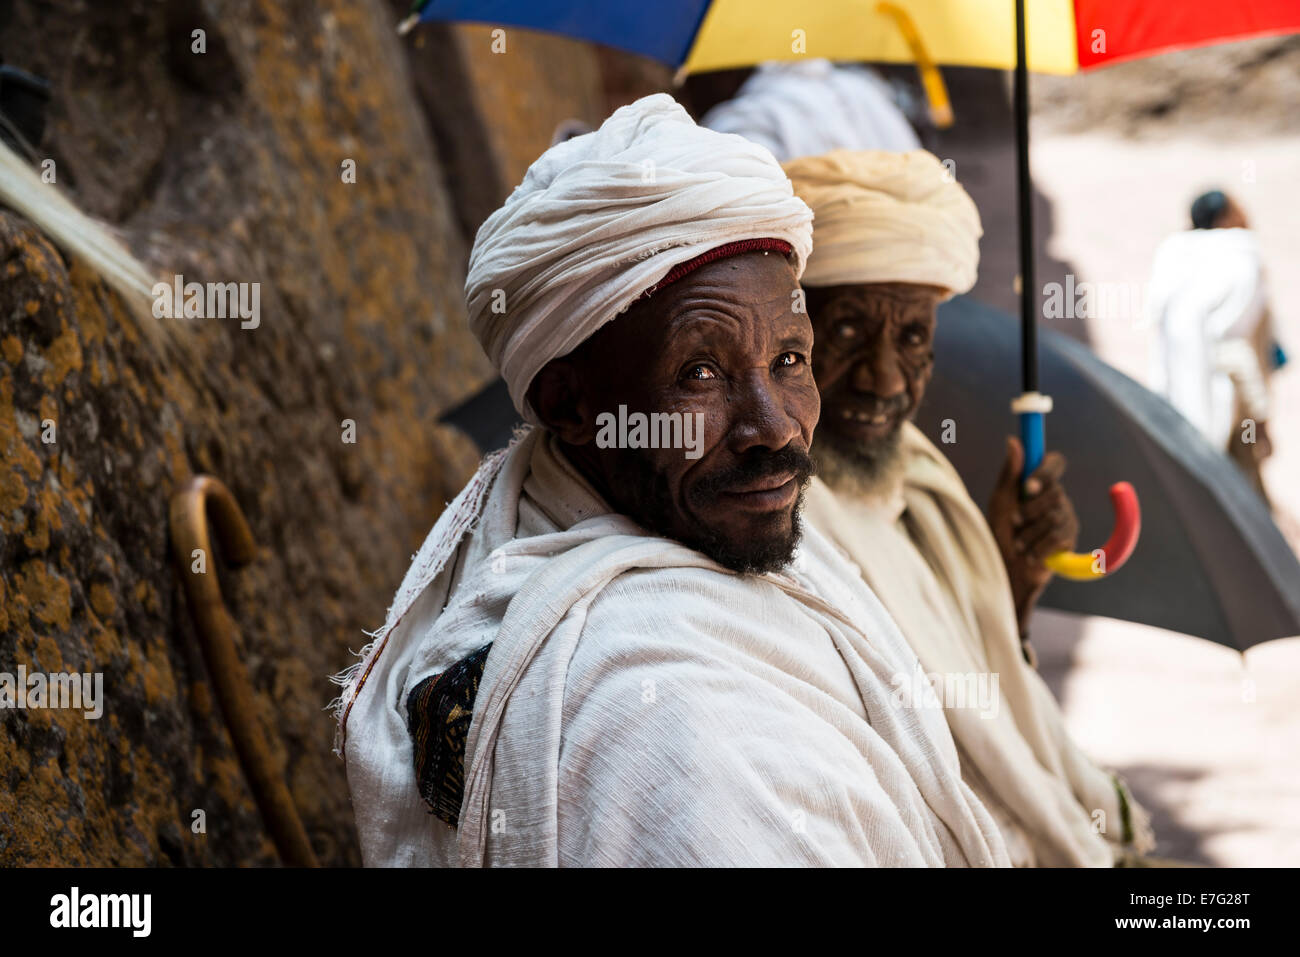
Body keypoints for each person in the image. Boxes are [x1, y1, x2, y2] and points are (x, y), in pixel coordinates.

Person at [331, 96, 1010, 868]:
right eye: (700, 372)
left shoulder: (687, 522)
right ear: (568, 402)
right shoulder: (670, 728)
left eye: (790, 360)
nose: (776, 426)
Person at [782, 148, 1153, 866]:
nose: (885, 377)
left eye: (913, 336)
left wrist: (1009, 586)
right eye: (850, 331)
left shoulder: (921, 481)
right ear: (786, 342)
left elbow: (975, 703)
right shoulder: (768, 525)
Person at [1147, 190, 1283, 502]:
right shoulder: (1241, 257)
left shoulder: (1176, 254)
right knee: (1244, 501)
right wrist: (1260, 420)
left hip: (1176, 404)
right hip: (1232, 407)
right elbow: (1234, 352)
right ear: (1225, 217)